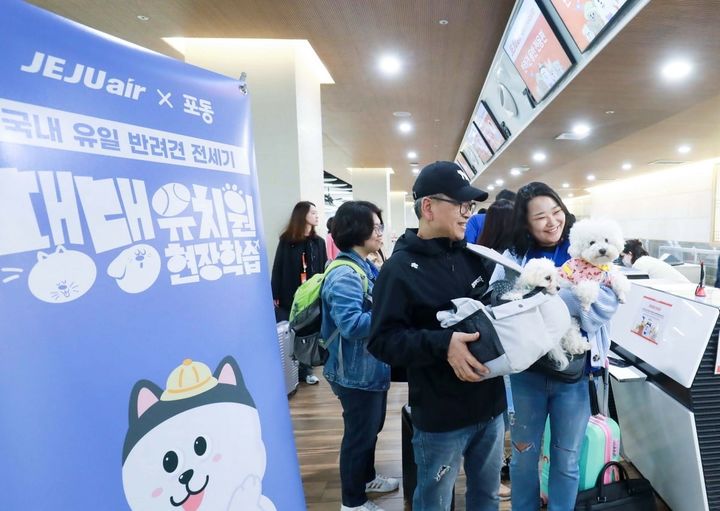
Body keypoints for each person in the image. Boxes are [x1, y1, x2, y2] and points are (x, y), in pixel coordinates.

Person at [369, 161, 506, 511]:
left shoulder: (474, 258)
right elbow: (382, 341)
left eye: (470, 206)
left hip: (490, 408)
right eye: (461, 205)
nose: (467, 214)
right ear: (428, 207)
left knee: (487, 496)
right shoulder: (398, 270)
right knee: (434, 502)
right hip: (440, 417)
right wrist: (443, 344)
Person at [491, 182, 620, 511]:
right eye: (540, 217)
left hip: (575, 375)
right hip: (525, 375)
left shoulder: (586, 248)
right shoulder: (513, 256)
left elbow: (603, 307)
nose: (552, 222)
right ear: (525, 222)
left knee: (566, 460)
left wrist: (546, 298)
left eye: (556, 212)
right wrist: (567, 298)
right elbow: (499, 303)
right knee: (522, 459)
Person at [321, 201, 398, 511]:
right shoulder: (345, 274)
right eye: (376, 227)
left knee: (369, 429)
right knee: (358, 436)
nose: (380, 233)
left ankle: (366, 478)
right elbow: (351, 325)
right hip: (354, 372)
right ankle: (352, 502)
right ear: (357, 230)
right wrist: (391, 315)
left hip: (368, 368)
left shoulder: (364, 264)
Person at [271, 200, 327, 385]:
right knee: (291, 331)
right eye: (313, 212)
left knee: (309, 331)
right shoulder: (287, 241)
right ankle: (291, 372)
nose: (316, 216)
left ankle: (307, 370)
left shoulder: (319, 242)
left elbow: (323, 269)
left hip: (311, 295)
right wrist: (274, 294)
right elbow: (278, 268)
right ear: (302, 215)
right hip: (290, 294)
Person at [621, 239, 689, 282]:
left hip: (682, 291)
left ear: (630, 254)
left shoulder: (640, 263)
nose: (622, 260)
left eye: (622, 256)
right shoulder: (645, 260)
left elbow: (637, 286)